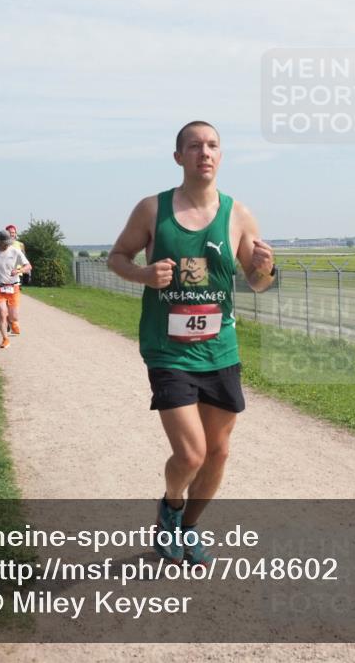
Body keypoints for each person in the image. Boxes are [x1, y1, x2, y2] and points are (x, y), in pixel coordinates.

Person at [107, 121, 276, 565]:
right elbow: (116, 257)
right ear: (179, 156)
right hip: (169, 350)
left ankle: (189, 528)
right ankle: (171, 505)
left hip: (220, 349)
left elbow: (259, 285)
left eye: (213, 145)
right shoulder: (152, 209)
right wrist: (143, 274)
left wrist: (266, 268)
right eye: (195, 146)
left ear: (221, 156)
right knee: (192, 451)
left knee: (218, 453)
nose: (205, 152)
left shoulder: (238, 214)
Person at [0, 230, 31, 348]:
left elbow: (28, 266)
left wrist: (19, 270)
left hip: (13, 287)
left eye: (9, 243)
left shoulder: (15, 251)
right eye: (4, 243)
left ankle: (12, 321)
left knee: (14, 317)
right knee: (2, 313)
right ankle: (5, 339)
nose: (7, 245)